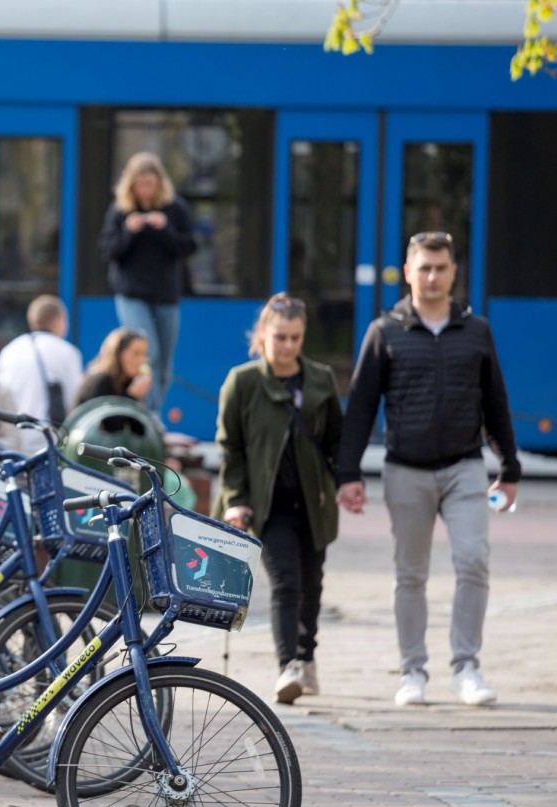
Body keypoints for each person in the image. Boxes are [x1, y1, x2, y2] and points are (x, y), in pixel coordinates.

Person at [336, 231, 520, 708]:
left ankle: (467, 667)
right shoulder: (384, 331)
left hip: (465, 469)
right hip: (405, 471)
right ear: (409, 271)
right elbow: (360, 408)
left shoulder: (476, 331)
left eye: (441, 268)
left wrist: (511, 468)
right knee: (410, 574)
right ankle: (413, 671)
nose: (433, 277)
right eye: (424, 268)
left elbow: (496, 402)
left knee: (473, 562)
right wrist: (347, 473)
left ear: (454, 272)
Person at [213, 294, 342, 704]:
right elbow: (229, 448)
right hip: (268, 507)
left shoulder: (321, 379)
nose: (287, 346)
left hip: (313, 503)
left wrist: (347, 484)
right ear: (262, 337)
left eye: (295, 337)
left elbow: (337, 443)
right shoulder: (243, 381)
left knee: (312, 586)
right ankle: (288, 666)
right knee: (286, 583)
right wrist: (236, 499)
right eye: (280, 337)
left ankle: (307, 658)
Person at [98, 151, 196, 418]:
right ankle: (142, 411)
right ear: (131, 185)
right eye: (140, 185)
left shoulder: (175, 209)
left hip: (166, 295)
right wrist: (128, 232)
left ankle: (154, 410)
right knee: (146, 351)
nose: (145, 191)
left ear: (159, 184)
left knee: (164, 363)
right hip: (132, 294)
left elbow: (188, 247)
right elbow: (108, 251)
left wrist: (166, 229)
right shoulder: (120, 210)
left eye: (150, 185)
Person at [0, 294, 85, 452]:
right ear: (58, 321)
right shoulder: (68, 353)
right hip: (49, 442)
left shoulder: (10, 350)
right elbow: (75, 401)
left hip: (13, 442)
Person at [74, 327, 152, 407]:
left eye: (145, 354)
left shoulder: (129, 383)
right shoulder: (100, 382)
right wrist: (131, 396)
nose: (143, 360)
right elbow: (107, 417)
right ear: (118, 353)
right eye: (136, 353)